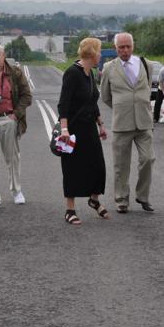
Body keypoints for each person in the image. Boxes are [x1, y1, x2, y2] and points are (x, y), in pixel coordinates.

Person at [100, 32, 155, 214]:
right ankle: (122, 199)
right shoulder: (108, 68)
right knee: (121, 165)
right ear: (115, 48)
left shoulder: (146, 64)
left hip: (144, 122)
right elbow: (105, 96)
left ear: (133, 46)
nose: (125, 50)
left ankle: (143, 196)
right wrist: (121, 107)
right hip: (122, 123)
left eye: (128, 46)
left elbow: (147, 88)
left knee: (148, 159)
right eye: (121, 47)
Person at [57, 37, 109, 224]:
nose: (100, 55)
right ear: (92, 54)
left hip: (89, 129)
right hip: (73, 130)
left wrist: (101, 124)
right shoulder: (72, 73)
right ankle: (70, 210)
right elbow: (63, 103)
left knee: (98, 166)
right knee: (72, 169)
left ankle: (94, 200)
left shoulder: (90, 73)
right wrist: (64, 129)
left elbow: (92, 102)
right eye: (99, 51)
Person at [0, 43, 33, 210]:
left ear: (3, 55)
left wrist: (16, 114)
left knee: (12, 158)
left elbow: (27, 96)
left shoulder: (15, 73)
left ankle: (16, 191)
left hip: (9, 120)